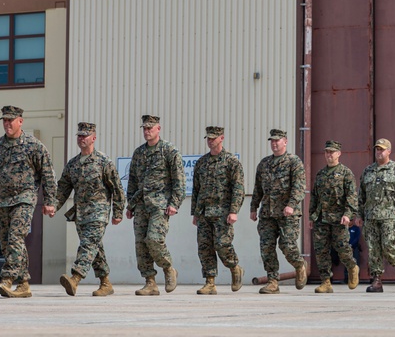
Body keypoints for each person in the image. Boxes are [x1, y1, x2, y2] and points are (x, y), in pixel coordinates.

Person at [0, 106, 56, 298]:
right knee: (7, 243)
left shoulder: (34, 146)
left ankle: (7, 279)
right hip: (1, 201)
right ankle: (24, 283)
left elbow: (48, 175)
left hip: (24, 199)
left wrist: (50, 201)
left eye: (11, 120)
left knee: (16, 236)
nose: (7, 124)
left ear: (20, 121)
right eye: (4, 120)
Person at [54, 122, 125, 296]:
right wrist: (53, 206)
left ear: (93, 138)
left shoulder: (103, 162)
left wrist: (118, 212)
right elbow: (63, 188)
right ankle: (106, 283)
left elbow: (117, 188)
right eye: (79, 135)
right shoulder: (73, 164)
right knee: (95, 247)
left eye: (85, 135)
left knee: (88, 245)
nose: (81, 139)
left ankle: (75, 278)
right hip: (81, 214)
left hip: (99, 212)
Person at [126, 115, 185, 295]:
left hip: (160, 205)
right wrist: (130, 205)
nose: (147, 131)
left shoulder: (169, 151)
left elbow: (179, 180)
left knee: (153, 239)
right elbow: (133, 181)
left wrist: (175, 203)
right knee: (141, 245)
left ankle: (168, 269)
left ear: (158, 129)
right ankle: (150, 282)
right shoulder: (139, 153)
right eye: (144, 128)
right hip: (141, 205)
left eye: (150, 128)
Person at [250, 129, 307, 294]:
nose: (274, 144)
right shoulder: (264, 164)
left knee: (287, 245)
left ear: (285, 141)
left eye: (278, 140)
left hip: (287, 213)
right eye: (272, 141)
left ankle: (299, 264)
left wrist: (291, 204)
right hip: (267, 213)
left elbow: (299, 187)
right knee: (266, 247)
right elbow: (258, 189)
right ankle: (272, 281)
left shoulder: (293, 162)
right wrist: (253, 207)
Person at [191, 126, 245, 295]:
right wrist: (195, 213)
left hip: (223, 212)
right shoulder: (202, 162)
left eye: (214, 138)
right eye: (208, 138)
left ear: (221, 138)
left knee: (222, 244)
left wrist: (234, 210)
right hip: (204, 212)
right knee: (204, 247)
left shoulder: (231, 162)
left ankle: (235, 267)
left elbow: (238, 188)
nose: (210, 141)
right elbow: (196, 189)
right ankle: (210, 282)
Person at [356, 138, 395, 293]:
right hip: (371, 217)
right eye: (377, 149)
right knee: (373, 249)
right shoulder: (368, 171)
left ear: (389, 151)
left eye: (382, 149)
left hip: (390, 216)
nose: (379, 152)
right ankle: (376, 280)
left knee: (388, 245)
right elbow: (361, 195)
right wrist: (359, 214)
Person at [309, 140, 359, 294]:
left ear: (339, 153)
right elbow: (314, 196)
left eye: (332, 152)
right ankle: (326, 282)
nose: (329, 155)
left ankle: (352, 266)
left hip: (339, 218)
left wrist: (348, 214)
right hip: (321, 218)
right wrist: (312, 216)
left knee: (342, 248)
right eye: (327, 152)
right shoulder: (321, 174)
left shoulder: (346, 173)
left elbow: (351, 196)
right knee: (321, 251)